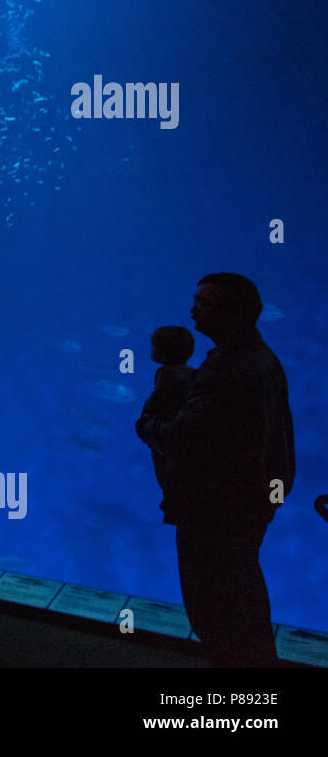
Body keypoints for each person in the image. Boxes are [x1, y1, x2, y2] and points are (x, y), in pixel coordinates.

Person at [137, 273, 294, 666]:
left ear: (236, 312)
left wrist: (145, 425)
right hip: (246, 505)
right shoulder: (260, 359)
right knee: (243, 600)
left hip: (214, 511)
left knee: (215, 612)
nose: (193, 310)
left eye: (204, 303)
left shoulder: (230, 370)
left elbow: (184, 439)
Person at [139, 326, 196, 509]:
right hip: (181, 444)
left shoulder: (167, 375)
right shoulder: (194, 374)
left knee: (169, 474)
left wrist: (146, 418)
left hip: (166, 438)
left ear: (161, 354)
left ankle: (174, 500)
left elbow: (157, 402)